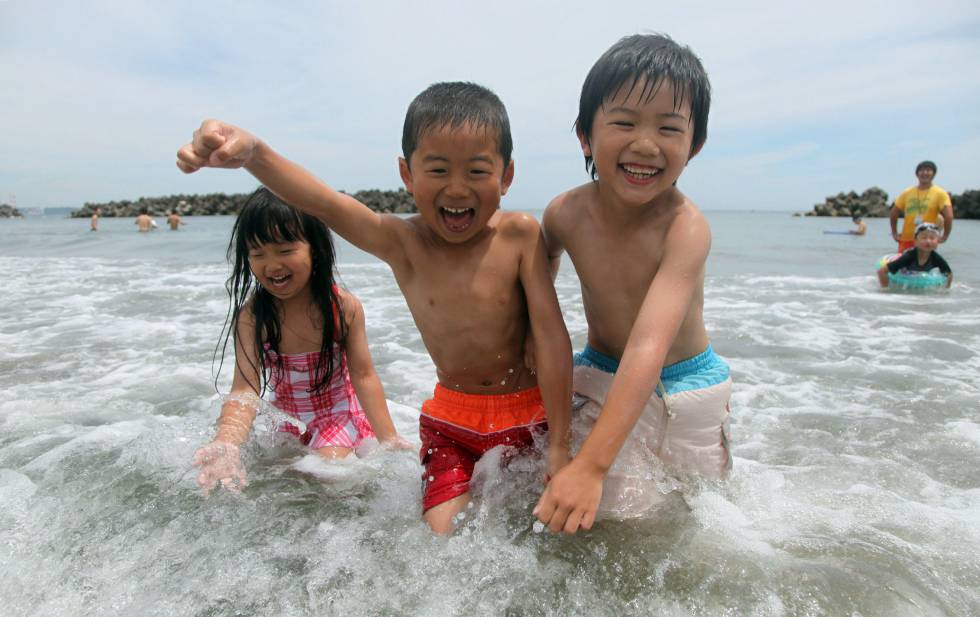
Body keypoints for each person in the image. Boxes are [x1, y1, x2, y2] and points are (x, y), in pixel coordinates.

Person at [176, 82, 572, 534]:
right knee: (442, 538)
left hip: (530, 412)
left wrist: (560, 445)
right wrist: (254, 153)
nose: (457, 188)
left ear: (506, 176)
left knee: (551, 530)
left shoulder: (520, 234)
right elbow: (325, 203)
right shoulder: (403, 244)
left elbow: (552, 337)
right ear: (407, 174)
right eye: (438, 170)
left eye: (477, 171)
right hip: (452, 422)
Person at [533, 34, 732, 534]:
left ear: (694, 146)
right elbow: (536, 283)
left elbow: (648, 346)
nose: (645, 144)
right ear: (585, 135)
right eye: (624, 123)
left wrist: (592, 466)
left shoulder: (685, 228)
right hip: (602, 372)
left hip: (685, 389)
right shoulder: (564, 214)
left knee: (698, 525)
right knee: (597, 523)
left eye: (669, 128)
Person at [192, 187, 409, 496]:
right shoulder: (253, 317)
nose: (272, 265)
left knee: (330, 475)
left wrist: (389, 440)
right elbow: (245, 388)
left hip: (336, 416)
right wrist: (226, 440)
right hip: (288, 422)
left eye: (284, 251)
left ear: (314, 248)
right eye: (258, 254)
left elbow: (364, 376)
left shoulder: (342, 308)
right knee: (271, 482)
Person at [890, 160, 953, 252]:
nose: (925, 173)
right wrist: (894, 233)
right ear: (917, 174)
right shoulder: (907, 192)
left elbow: (949, 216)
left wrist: (945, 236)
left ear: (934, 174)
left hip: (926, 240)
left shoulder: (940, 193)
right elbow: (894, 213)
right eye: (922, 170)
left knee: (924, 261)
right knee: (903, 261)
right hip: (906, 239)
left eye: (928, 170)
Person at [877, 222, 952, 288]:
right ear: (915, 241)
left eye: (932, 238)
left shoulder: (936, 258)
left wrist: (946, 290)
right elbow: (882, 271)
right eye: (924, 238)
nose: (928, 241)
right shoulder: (909, 257)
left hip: (918, 274)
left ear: (937, 242)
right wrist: (885, 290)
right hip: (903, 270)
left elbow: (949, 274)